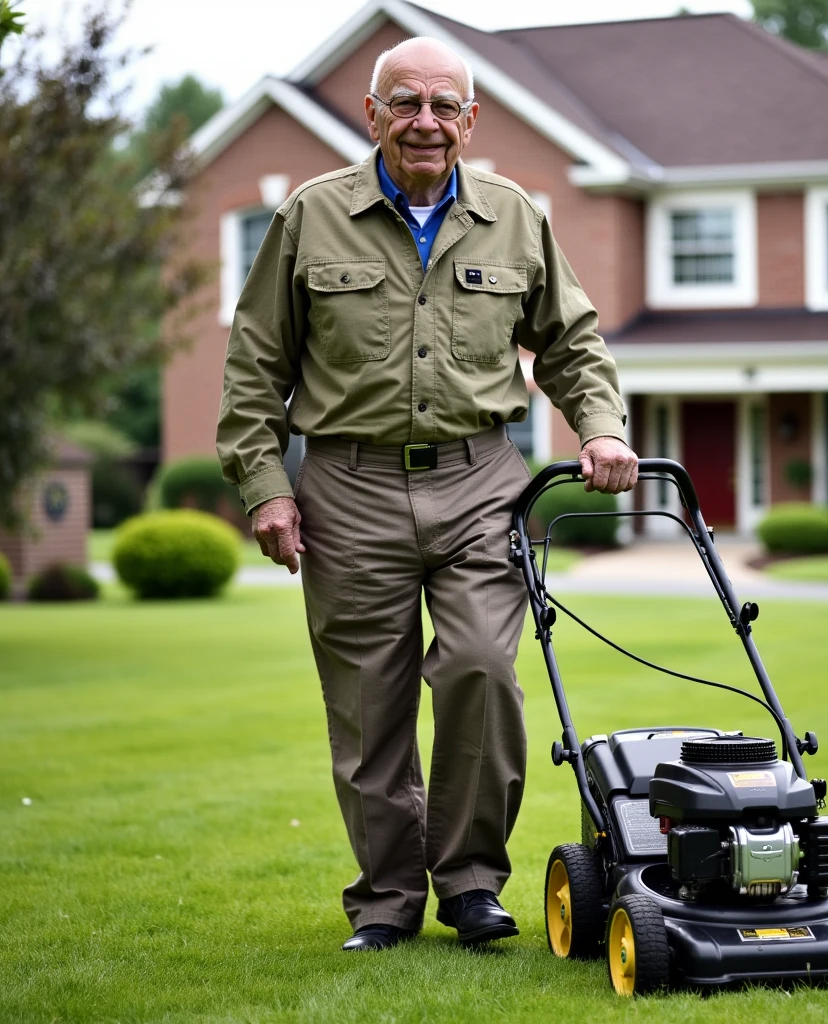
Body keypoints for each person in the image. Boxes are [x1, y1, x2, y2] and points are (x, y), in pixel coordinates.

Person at [216, 36, 638, 952]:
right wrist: (264, 488)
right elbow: (254, 366)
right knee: (370, 705)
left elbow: (571, 343)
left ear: (471, 121)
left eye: (445, 106)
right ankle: (386, 901)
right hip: (347, 486)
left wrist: (599, 426)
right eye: (405, 103)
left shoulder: (516, 217)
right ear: (372, 115)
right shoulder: (309, 216)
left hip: (482, 481)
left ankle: (473, 885)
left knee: (484, 669)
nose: (426, 122)